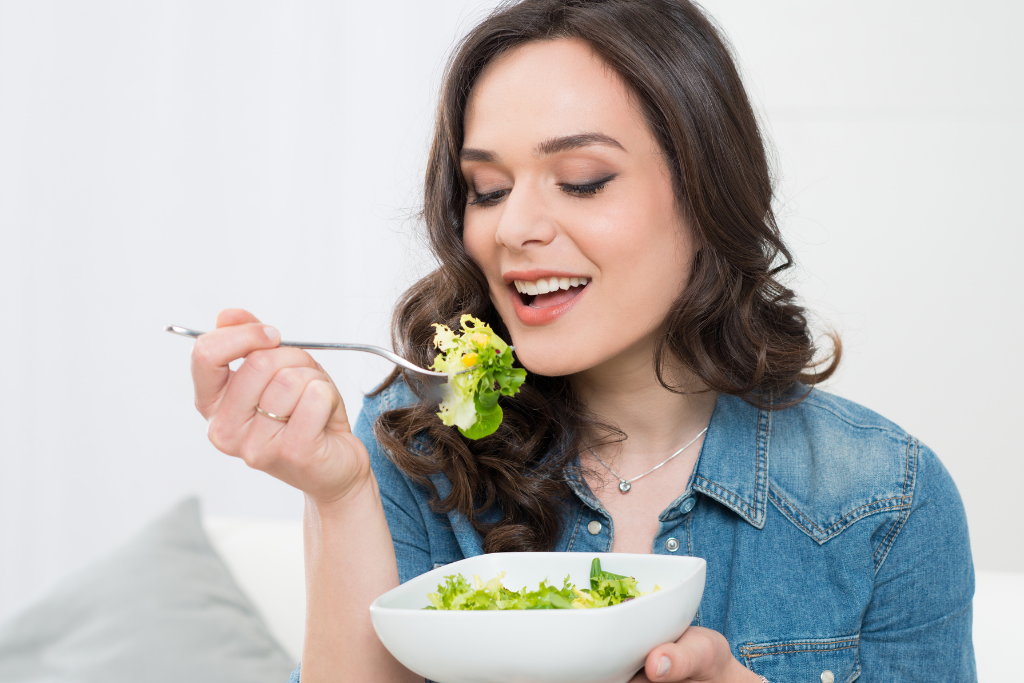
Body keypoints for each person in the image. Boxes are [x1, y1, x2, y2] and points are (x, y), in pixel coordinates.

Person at [187, 1, 975, 681]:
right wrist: (339, 495)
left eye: (582, 180)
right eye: (488, 190)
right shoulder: (412, 443)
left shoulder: (885, 498)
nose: (515, 230)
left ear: (706, 192)